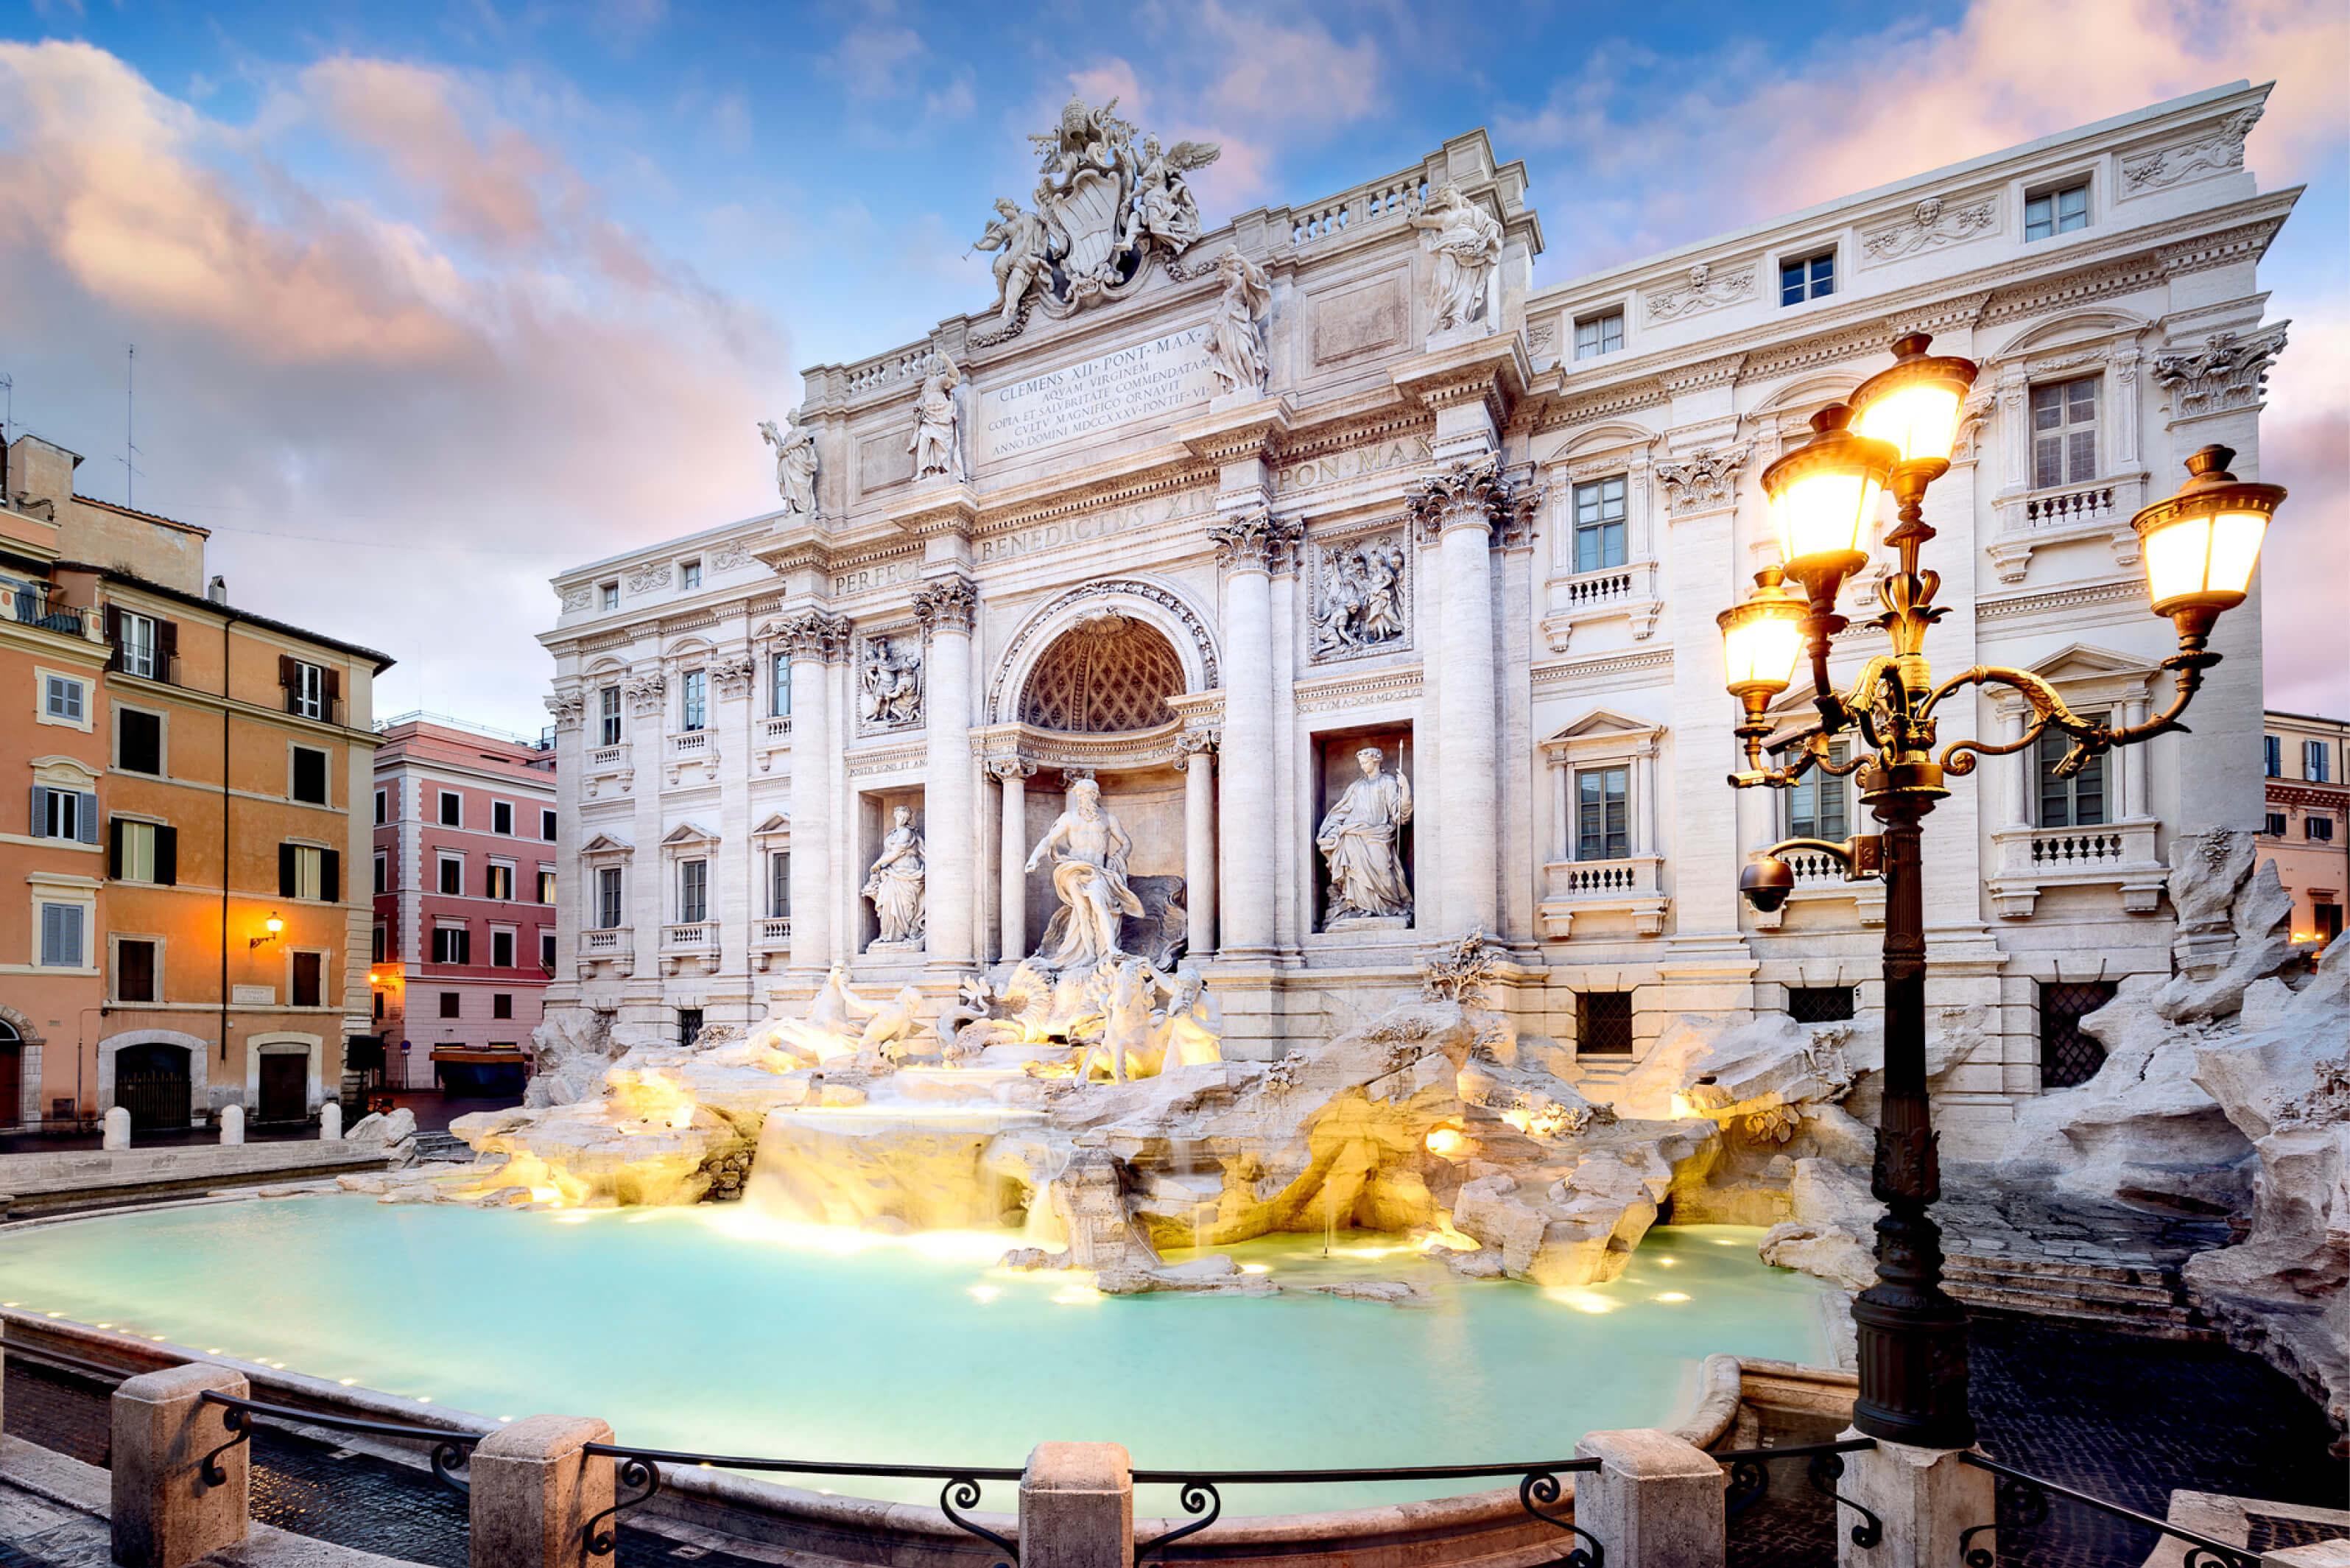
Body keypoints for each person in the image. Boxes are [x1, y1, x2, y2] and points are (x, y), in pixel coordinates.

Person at [1024, 778, 1144, 970]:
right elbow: (1049, 840)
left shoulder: (1108, 819)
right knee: (1082, 910)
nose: (1083, 798)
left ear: (1095, 796)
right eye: (1080, 795)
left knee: (1098, 901)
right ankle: (1088, 954)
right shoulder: (1069, 818)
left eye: (1087, 794)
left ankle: (1110, 947)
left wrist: (1117, 859)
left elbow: (1126, 843)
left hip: (1097, 871)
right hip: (1074, 868)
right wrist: (1034, 858)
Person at [1317, 746, 1415, 920]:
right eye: (1360, 763)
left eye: (1365, 762)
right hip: (1354, 836)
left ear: (1376, 761)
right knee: (1357, 873)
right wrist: (1329, 830)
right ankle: (1363, 907)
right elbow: (1342, 811)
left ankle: (1390, 905)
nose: (1362, 766)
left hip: (1379, 835)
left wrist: (1405, 789)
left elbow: (1399, 815)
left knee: (1383, 869)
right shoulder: (1357, 787)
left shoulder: (1388, 782)